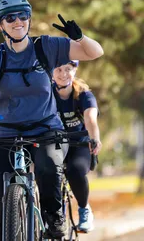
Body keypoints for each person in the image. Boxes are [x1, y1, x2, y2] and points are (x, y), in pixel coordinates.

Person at [0, 0, 104, 240]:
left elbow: (95, 52)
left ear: (29, 19)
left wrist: (79, 37)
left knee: (47, 168)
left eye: (22, 16)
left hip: (46, 130)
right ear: (0, 24)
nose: (17, 21)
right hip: (5, 132)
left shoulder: (46, 47)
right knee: (1, 196)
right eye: (9, 17)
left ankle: (55, 217)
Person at [52, 60, 102, 233]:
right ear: (51, 71)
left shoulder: (83, 95)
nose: (63, 73)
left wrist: (94, 139)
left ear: (75, 71)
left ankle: (84, 209)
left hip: (78, 144)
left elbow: (90, 119)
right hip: (53, 143)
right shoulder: (46, 93)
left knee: (75, 170)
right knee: (46, 171)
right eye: (58, 69)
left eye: (68, 69)